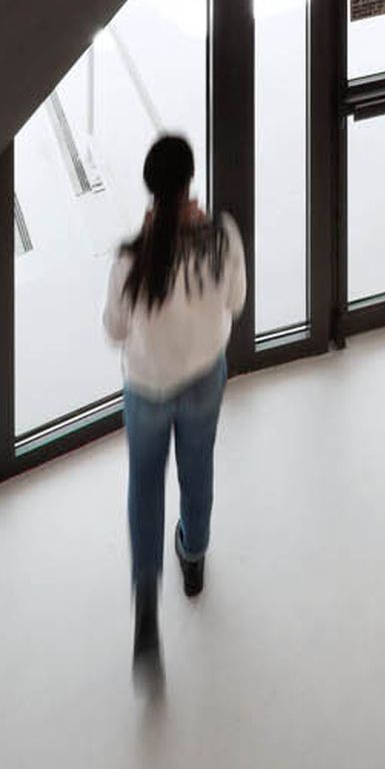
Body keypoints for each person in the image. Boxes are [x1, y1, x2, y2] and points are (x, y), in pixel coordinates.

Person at [104, 129, 245, 677]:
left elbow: (115, 330)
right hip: (204, 376)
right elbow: (235, 301)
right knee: (197, 467)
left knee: (144, 484)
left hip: (147, 388)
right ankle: (194, 560)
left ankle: (146, 599)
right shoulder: (221, 239)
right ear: (191, 183)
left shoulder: (131, 260)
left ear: (149, 189)